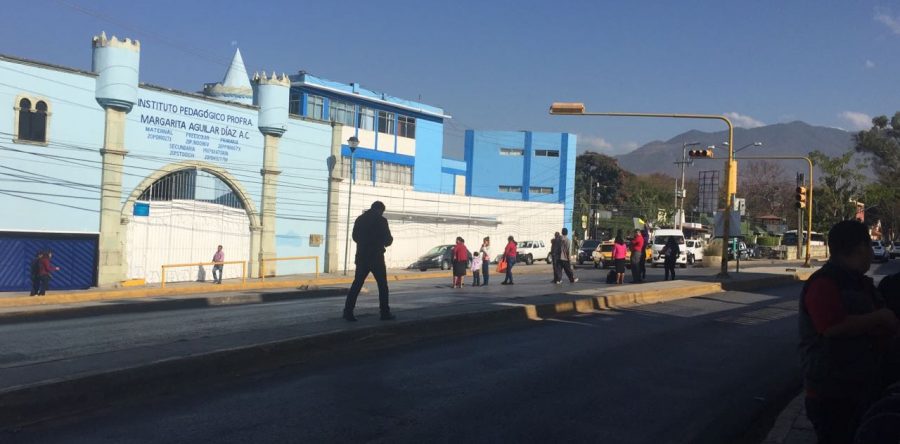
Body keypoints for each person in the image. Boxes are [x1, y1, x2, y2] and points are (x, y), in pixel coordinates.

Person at [799, 220, 899, 443]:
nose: (872, 253)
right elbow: (831, 327)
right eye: (871, 246)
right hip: (832, 393)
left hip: (859, 387)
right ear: (861, 248)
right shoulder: (824, 283)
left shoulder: (859, 283)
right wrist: (880, 318)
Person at [343, 201, 395, 322]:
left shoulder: (360, 219)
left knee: (357, 285)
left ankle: (348, 312)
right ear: (380, 210)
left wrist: (364, 243)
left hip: (361, 256)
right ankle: (384, 313)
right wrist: (382, 241)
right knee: (382, 286)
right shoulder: (381, 221)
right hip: (376, 257)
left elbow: (355, 237)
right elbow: (388, 240)